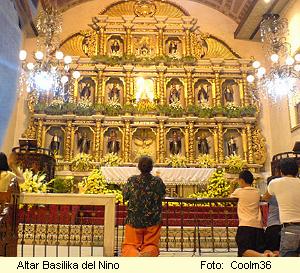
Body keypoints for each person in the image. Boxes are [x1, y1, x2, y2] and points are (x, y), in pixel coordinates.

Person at [122, 156, 166, 257]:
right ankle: (147, 254)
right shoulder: (157, 181)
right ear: (151, 168)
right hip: (152, 220)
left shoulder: (132, 181)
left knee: (130, 245)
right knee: (151, 245)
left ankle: (135, 256)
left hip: (134, 219)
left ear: (139, 167)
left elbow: (125, 195)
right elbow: (162, 193)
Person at [263, 158, 300, 257]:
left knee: (287, 260)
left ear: (281, 171)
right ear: (297, 170)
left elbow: (265, 197)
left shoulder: (275, 183)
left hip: (289, 228)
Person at [230, 170, 270, 257]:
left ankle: (262, 256)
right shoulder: (257, 191)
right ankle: (269, 254)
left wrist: (231, 185)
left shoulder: (239, 191)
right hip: (258, 226)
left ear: (241, 180)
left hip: (245, 225)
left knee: (243, 250)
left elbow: (230, 196)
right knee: (259, 248)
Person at [264, 175, 281, 256]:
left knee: (270, 251)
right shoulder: (284, 195)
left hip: (273, 226)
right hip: (284, 226)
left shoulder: (271, 196)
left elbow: (264, 197)